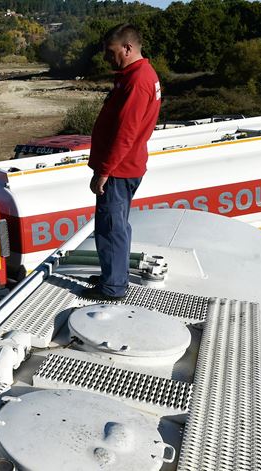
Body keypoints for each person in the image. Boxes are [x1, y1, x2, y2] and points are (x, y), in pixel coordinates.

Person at [83, 23, 161, 301]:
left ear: (127, 48)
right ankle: (112, 276)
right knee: (116, 225)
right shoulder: (133, 75)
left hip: (120, 168)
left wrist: (104, 170)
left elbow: (125, 133)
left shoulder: (137, 81)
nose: (106, 57)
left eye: (111, 51)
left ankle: (113, 287)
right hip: (124, 165)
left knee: (111, 227)